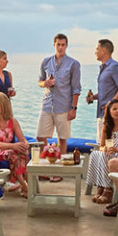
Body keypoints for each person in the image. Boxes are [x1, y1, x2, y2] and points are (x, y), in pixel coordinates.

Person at [37, 34, 81, 165]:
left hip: (64, 106)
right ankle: (45, 165)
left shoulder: (74, 64)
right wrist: (45, 83)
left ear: (66, 46)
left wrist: (74, 108)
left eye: (63, 45)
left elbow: (76, 88)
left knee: (62, 138)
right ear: (54, 44)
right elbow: (40, 81)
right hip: (47, 105)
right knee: (40, 136)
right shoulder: (45, 62)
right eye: (58, 44)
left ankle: (60, 169)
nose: (60, 47)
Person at [86, 99, 118, 205]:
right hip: (110, 152)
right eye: (114, 109)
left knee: (109, 157)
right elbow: (101, 146)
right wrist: (104, 148)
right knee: (96, 154)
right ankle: (101, 186)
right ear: (109, 112)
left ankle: (108, 190)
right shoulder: (107, 126)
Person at [0, 92, 29, 196]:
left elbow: (23, 139)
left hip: (9, 151)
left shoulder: (13, 121)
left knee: (23, 152)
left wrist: (25, 144)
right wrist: (14, 146)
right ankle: (25, 186)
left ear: (4, 106)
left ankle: (26, 183)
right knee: (13, 154)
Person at [86, 39, 118, 143]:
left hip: (111, 114)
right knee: (102, 143)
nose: (95, 52)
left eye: (97, 49)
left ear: (104, 51)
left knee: (108, 144)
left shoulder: (114, 67)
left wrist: (111, 104)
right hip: (102, 113)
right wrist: (94, 97)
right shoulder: (104, 68)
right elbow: (107, 90)